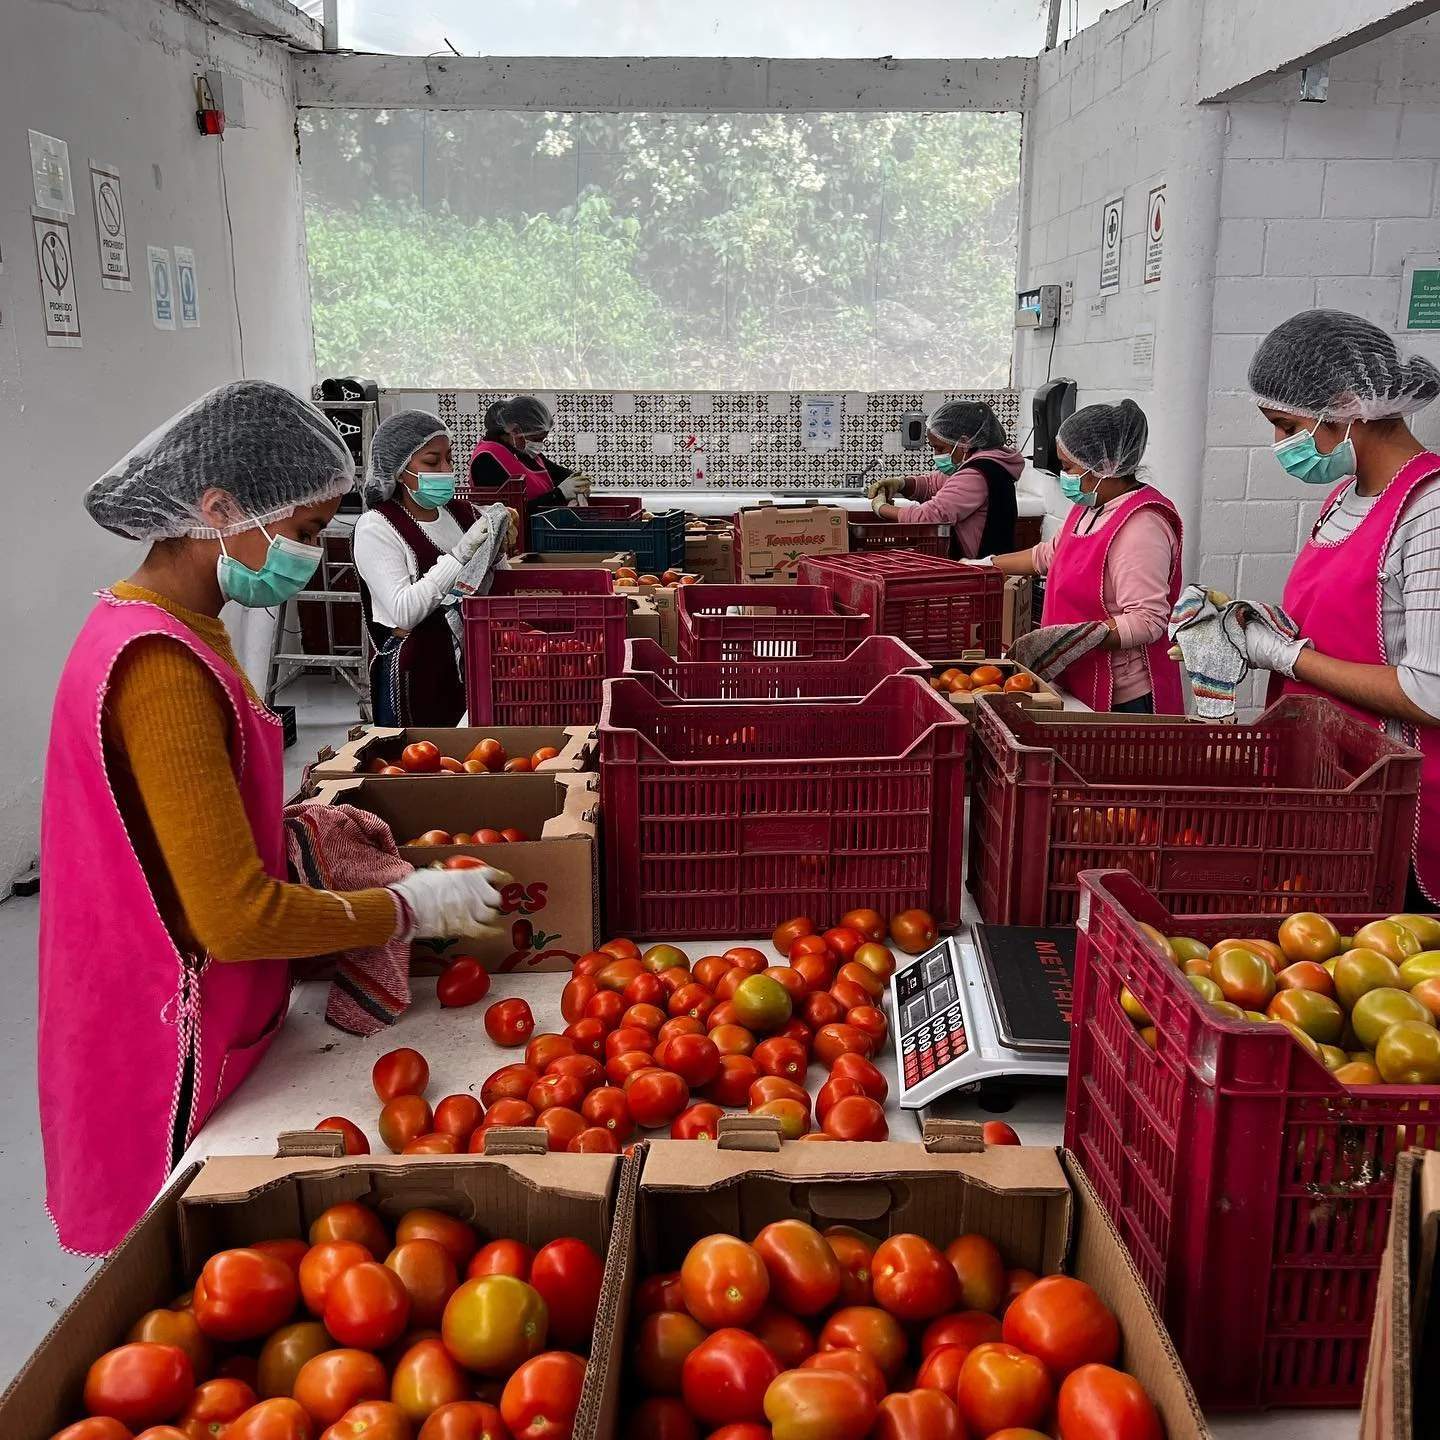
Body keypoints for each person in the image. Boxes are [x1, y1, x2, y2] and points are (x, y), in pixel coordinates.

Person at [41, 381, 510, 1255]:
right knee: (191, 1257)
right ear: (217, 509)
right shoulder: (160, 668)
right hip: (160, 1018)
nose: (306, 555)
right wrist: (410, 908)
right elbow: (233, 916)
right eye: (299, 534)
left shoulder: (167, 625)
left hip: (196, 989)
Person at [1236, 309, 1440, 907]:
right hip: (1332, 787)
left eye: (1285, 424)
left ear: (1350, 406)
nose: (1280, 445)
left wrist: (1286, 656)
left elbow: (1430, 691)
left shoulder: (1428, 511)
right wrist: (1254, 623)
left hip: (1397, 809)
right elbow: (1337, 627)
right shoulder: (1345, 498)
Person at [978, 399, 1183, 714]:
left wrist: (1076, 639)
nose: (1064, 475)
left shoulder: (1141, 526)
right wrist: (982, 567)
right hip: (1074, 672)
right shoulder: (1089, 506)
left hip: (1121, 696)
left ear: (1103, 466)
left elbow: (1148, 620)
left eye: (1068, 466)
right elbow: (1049, 556)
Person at [354, 410, 512, 726]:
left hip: (476, 666)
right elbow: (404, 612)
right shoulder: (377, 527)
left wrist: (498, 549)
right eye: (431, 462)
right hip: (417, 675)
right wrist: (460, 555)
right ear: (400, 470)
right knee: (421, 763)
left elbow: (498, 584)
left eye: (449, 459)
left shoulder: (463, 514)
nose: (445, 469)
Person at [868, 400, 1022, 558]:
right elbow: (931, 485)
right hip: (985, 563)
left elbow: (929, 517)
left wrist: (881, 507)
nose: (936, 455)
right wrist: (900, 483)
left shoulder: (975, 476)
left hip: (981, 568)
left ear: (964, 442)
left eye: (940, 448)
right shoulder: (985, 464)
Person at [468, 395, 589, 514]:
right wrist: (559, 494)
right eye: (536, 439)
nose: (539, 445)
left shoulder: (523, 452)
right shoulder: (486, 459)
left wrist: (578, 482)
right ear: (515, 431)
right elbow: (506, 514)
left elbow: (558, 473)